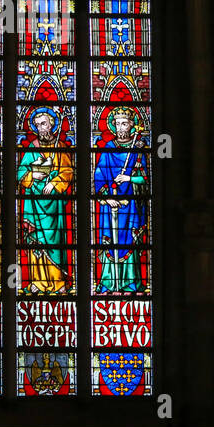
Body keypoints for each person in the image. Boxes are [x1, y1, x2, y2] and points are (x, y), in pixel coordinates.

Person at [17, 108, 73, 293]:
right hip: (34, 202)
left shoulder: (61, 148)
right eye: (38, 125)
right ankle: (37, 282)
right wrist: (33, 174)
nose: (41, 128)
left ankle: (58, 282)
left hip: (53, 205)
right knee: (36, 242)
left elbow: (68, 172)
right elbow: (19, 173)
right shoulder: (32, 148)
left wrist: (55, 183)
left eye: (44, 124)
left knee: (54, 241)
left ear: (52, 125)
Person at [94, 107, 148, 293]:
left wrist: (129, 179)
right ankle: (110, 284)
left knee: (128, 242)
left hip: (131, 205)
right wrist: (107, 197)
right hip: (111, 206)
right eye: (117, 123)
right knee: (110, 241)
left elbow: (145, 179)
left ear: (132, 125)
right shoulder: (108, 149)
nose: (120, 127)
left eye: (124, 123)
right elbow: (99, 175)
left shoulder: (138, 150)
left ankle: (130, 283)